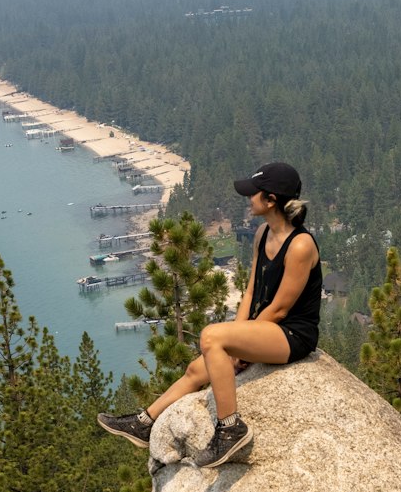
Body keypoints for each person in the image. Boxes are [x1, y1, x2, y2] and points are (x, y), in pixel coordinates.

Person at [97, 162, 322, 469]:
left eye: (253, 193)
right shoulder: (262, 233)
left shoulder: (300, 245)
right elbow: (252, 291)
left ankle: (230, 428)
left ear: (271, 200)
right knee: (195, 369)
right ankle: (144, 421)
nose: (248, 198)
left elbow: (281, 309)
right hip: (267, 329)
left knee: (211, 337)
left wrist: (241, 345)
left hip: (293, 335)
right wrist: (240, 337)